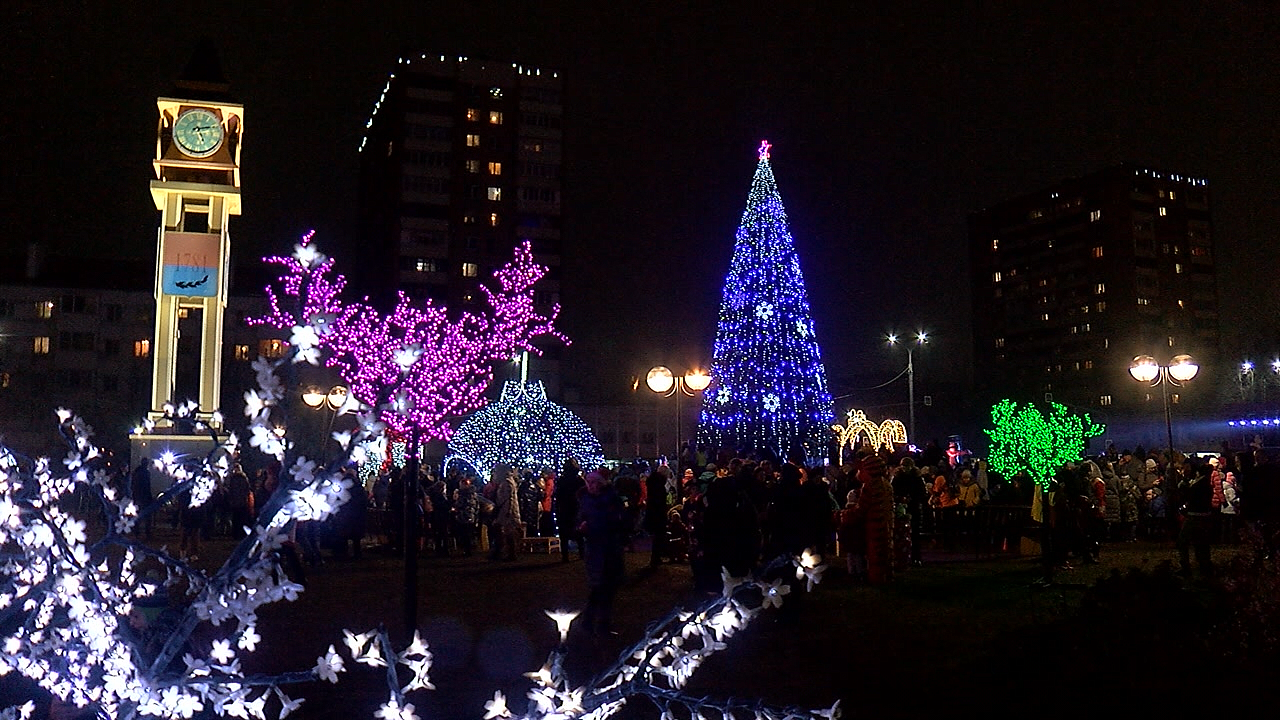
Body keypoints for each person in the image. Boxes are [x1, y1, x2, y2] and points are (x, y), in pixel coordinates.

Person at [577, 470, 627, 637]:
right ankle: (591, 623)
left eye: (594, 483)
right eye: (588, 483)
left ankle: (598, 623)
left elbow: (619, 520)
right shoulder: (586, 500)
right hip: (596, 549)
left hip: (610, 548)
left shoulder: (612, 499)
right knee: (598, 588)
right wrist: (582, 527)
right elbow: (581, 519)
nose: (591, 486)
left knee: (608, 588)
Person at [859, 453, 895, 585]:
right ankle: (887, 576)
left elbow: (862, 508)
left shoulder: (870, 486)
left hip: (874, 524)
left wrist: (844, 515)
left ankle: (877, 579)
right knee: (886, 551)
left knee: (876, 552)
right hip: (886, 522)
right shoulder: (885, 484)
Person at [1178, 461, 1215, 579]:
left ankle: (1188, 567)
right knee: (1201, 543)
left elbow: (1190, 498)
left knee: (1184, 542)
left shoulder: (1200, 484)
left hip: (1195, 516)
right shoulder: (1204, 483)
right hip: (1202, 516)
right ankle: (1204, 567)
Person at [555, 458, 585, 562]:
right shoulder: (579, 480)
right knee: (578, 532)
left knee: (565, 534)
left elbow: (558, 495)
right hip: (575, 507)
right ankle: (581, 553)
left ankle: (565, 556)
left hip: (565, 508)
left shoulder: (562, 480)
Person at [489, 463, 522, 561]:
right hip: (505, 510)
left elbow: (509, 499)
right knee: (505, 531)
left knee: (507, 532)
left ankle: (508, 553)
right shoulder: (506, 482)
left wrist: (508, 511)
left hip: (507, 511)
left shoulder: (507, 483)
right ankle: (503, 552)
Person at [452, 476, 480, 557]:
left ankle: (467, 550)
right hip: (469, 515)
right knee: (467, 533)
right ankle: (467, 549)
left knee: (465, 534)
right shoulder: (473, 494)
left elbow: (461, 504)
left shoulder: (464, 494)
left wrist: (456, 505)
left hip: (465, 515)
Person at [130, 458, 155, 541]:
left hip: (137, 496)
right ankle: (147, 533)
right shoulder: (145, 473)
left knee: (138, 515)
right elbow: (147, 487)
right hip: (144, 497)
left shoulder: (136, 472)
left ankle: (137, 532)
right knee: (147, 516)